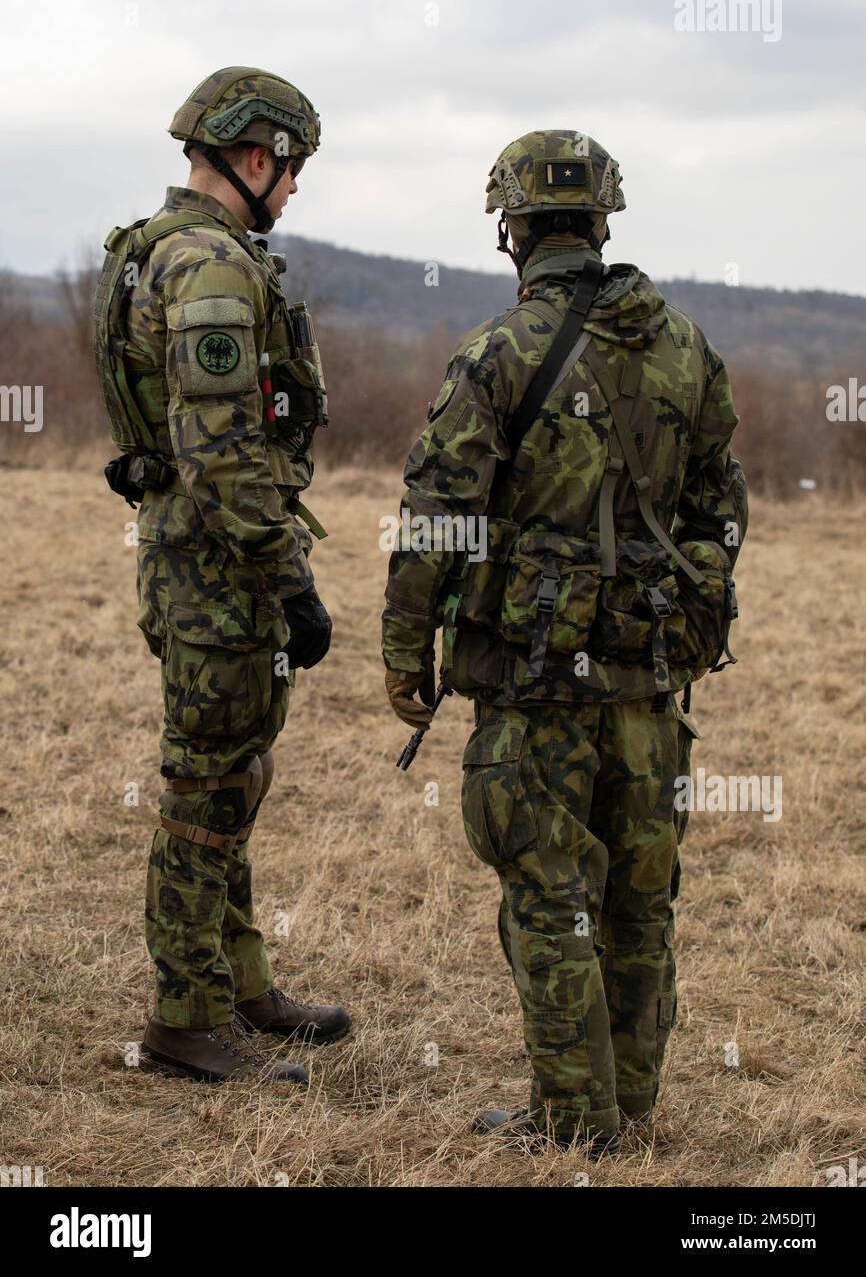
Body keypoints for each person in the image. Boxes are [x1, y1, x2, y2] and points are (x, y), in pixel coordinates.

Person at [382, 129, 747, 1153]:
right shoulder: (683, 345)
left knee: (550, 902)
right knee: (640, 902)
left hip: (535, 692)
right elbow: (722, 502)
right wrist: (692, 605)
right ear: (600, 220)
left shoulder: (497, 355)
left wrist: (405, 652)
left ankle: (574, 1127)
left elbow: (435, 519)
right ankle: (629, 1108)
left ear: (511, 228)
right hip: (647, 688)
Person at [93, 67, 349, 1083]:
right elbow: (220, 455)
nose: (291, 193)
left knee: (234, 777)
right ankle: (185, 1020)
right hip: (219, 573)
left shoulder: (152, 251)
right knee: (205, 791)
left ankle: (237, 980)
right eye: (289, 174)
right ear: (254, 159)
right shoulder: (206, 266)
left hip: (197, 561)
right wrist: (289, 580)